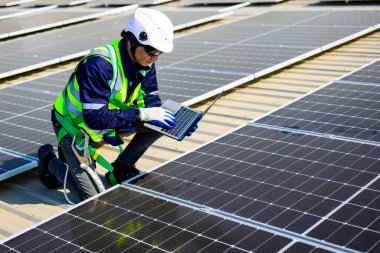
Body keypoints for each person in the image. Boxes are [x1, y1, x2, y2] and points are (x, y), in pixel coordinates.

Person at [37, 8, 197, 203]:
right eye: (152, 51)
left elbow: (151, 101)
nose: (155, 58)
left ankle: (122, 167)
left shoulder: (146, 62)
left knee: (161, 120)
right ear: (133, 40)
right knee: (91, 197)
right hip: (75, 127)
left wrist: (177, 124)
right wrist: (144, 114)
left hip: (106, 120)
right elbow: (95, 119)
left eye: (160, 52)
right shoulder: (99, 64)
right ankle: (49, 161)